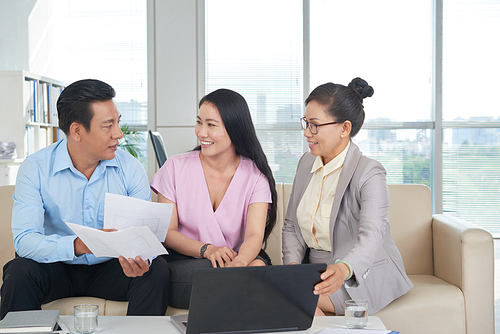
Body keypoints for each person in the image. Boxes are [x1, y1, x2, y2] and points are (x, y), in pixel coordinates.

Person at [0, 79, 170, 320]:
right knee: (19, 271)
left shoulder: (130, 168)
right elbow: (25, 241)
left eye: (118, 122)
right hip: (57, 265)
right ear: (77, 131)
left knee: (157, 270)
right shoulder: (35, 168)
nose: (118, 134)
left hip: (113, 267)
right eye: (108, 126)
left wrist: (143, 258)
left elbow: (144, 236)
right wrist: (79, 245)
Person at [282, 78, 413, 316]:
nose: (306, 133)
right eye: (305, 123)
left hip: (357, 273)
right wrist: (293, 269)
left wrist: (344, 269)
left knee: (296, 300)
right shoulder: (305, 164)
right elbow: (291, 226)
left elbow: (372, 235)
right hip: (315, 272)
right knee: (286, 293)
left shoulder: (369, 172)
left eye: (314, 125)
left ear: (344, 128)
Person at [150, 88, 277, 308]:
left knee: (255, 266)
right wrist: (207, 250)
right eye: (199, 122)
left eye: (211, 125)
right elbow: (167, 234)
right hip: (187, 261)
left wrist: (239, 262)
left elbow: (255, 235)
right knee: (243, 277)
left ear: (234, 128)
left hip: (236, 259)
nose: (201, 132)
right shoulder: (175, 167)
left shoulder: (255, 176)